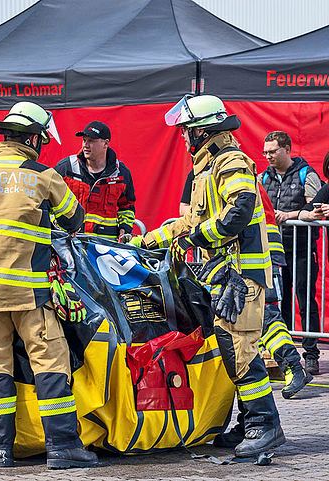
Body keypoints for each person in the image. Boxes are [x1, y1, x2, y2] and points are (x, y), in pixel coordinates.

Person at [130, 94, 285, 457]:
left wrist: (204, 236)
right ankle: (250, 422)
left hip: (241, 275)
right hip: (224, 275)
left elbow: (240, 210)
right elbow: (190, 222)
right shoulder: (208, 168)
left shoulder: (229, 161)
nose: (184, 139)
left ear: (203, 132)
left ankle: (265, 424)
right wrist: (146, 240)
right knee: (234, 348)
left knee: (240, 350)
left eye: (187, 132)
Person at [0, 101, 97, 470]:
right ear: (33, 138)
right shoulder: (45, 176)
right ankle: (63, 448)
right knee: (50, 365)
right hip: (31, 294)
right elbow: (74, 218)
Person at [180, 173, 311, 398]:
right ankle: (291, 366)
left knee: (266, 315)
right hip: (251, 254)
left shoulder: (223, 171)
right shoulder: (216, 173)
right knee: (259, 316)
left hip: (255, 254)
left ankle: (292, 365)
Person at [259, 131, 323, 375]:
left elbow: (316, 209)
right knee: (281, 302)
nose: (268, 156)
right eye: (265, 152)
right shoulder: (264, 178)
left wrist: (289, 216)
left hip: (303, 248)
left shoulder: (307, 174)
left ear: (287, 149)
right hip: (275, 251)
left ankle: (311, 354)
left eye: (273, 151)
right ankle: (286, 357)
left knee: (305, 300)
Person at [54, 121, 136, 240]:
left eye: (91, 141)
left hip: (105, 247)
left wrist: (125, 229)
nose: (85, 145)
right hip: (71, 243)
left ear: (105, 143)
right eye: (84, 140)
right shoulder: (66, 168)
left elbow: (127, 207)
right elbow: (49, 200)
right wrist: (57, 227)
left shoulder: (121, 173)